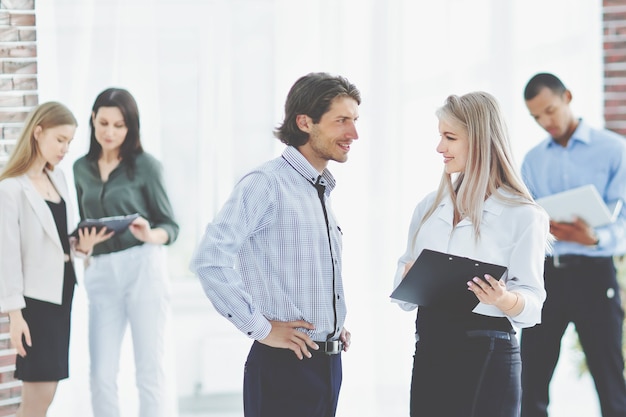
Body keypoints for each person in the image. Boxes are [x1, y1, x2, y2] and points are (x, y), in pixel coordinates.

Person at [189, 72, 360, 417]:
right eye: (342, 121)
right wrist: (261, 327)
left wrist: (331, 323)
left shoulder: (320, 190)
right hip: (285, 367)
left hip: (327, 363)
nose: (353, 134)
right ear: (305, 122)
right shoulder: (265, 184)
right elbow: (210, 259)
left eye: (355, 121)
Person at [391, 91, 551, 417]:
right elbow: (403, 288)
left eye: (449, 137)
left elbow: (532, 303)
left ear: (479, 141)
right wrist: (409, 278)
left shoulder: (524, 215)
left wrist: (503, 299)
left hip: (487, 355)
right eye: (440, 136)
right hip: (430, 350)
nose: (440, 148)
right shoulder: (428, 207)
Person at [520, 72, 626, 417]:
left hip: (595, 275)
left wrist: (594, 238)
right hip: (547, 276)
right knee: (530, 377)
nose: (545, 122)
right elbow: (524, 219)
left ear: (567, 97)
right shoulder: (533, 160)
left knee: (610, 380)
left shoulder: (613, 149)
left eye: (550, 110)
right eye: (536, 117)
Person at [73, 88, 179, 417]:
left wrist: (149, 234)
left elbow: (171, 227)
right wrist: (82, 246)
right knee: (101, 373)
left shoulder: (147, 166)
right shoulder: (80, 168)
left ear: (131, 127)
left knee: (149, 369)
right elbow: (81, 228)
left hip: (143, 266)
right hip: (101, 271)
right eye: (103, 122)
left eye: (119, 126)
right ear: (92, 119)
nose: (109, 132)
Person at [0, 102, 110, 417]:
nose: (65, 149)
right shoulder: (10, 190)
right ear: (38, 133)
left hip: (62, 294)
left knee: (46, 396)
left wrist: (83, 246)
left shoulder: (57, 178)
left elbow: (59, 240)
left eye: (69, 142)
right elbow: (7, 259)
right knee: (37, 399)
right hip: (35, 304)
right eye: (60, 140)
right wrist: (15, 317)